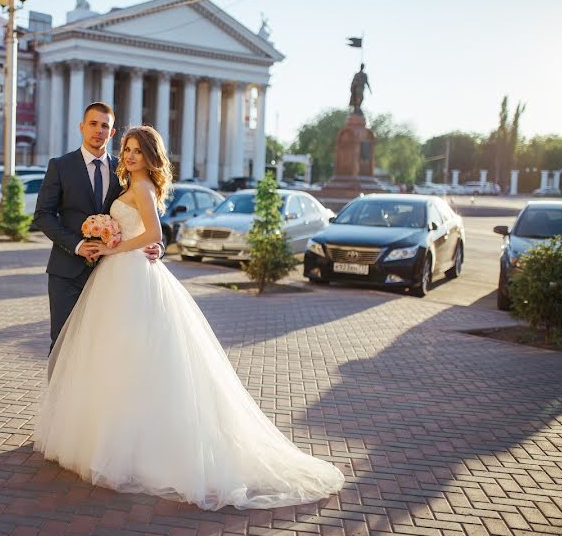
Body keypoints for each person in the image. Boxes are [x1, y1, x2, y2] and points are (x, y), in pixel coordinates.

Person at [34, 125, 345, 511]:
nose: (129, 156)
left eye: (137, 151)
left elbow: (152, 233)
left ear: (151, 156)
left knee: (140, 357)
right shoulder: (126, 185)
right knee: (113, 356)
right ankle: (105, 436)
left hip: (132, 275)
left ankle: (141, 449)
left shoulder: (144, 188)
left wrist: (113, 247)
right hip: (116, 277)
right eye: (127, 149)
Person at [34, 102, 162, 353]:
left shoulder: (125, 169)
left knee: (102, 350)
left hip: (110, 276)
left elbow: (146, 218)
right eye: (93, 124)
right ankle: (59, 394)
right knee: (63, 345)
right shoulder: (60, 166)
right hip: (67, 273)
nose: (98, 130)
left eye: (105, 126)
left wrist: (158, 246)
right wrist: (78, 245)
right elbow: (42, 215)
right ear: (82, 127)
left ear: (112, 132)